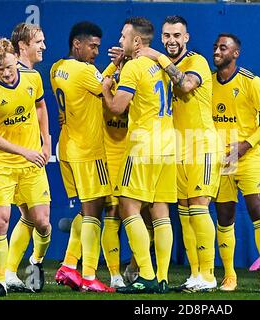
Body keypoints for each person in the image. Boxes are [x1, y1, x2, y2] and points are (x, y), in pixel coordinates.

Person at [136, 15, 222, 292]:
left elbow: (185, 85)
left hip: (202, 145)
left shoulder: (196, 61)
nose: (172, 41)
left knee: (198, 207)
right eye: (167, 36)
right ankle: (196, 274)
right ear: (162, 37)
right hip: (177, 147)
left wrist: (159, 58)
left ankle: (208, 275)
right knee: (184, 212)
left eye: (177, 36)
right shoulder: (160, 65)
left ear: (186, 38)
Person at [102, 16, 176, 294]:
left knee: (128, 207)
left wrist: (106, 91)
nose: (120, 41)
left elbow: (118, 108)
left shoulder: (134, 66)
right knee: (160, 212)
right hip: (168, 144)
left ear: (136, 41)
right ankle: (163, 277)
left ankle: (145, 274)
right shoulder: (161, 64)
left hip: (143, 144)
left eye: (123, 36)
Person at [0, 38, 52, 297]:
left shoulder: (32, 78)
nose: (6, 74)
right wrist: (25, 152)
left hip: (32, 164)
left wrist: (46, 141)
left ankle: (35, 263)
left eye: (9, 67)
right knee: (0, 219)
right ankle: (0, 282)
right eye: (0, 70)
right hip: (2, 165)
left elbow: (40, 106)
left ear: (15, 59)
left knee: (42, 223)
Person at [211, 33, 260, 292]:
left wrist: (246, 144)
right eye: (216, 46)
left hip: (248, 156)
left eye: (223, 47)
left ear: (235, 53)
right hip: (222, 159)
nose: (217, 51)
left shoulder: (251, 81)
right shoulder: (207, 81)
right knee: (224, 216)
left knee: (258, 210)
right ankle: (229, 276)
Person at [50, 21, 113, 293]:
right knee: (95, 213)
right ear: (77, 44)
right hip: (89, 151)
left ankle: (67, 265)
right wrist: (118, 66)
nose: (96, 52)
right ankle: (89, 275)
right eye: (93, 46)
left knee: (85, 212)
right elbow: (107, 88)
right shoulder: (85, 71)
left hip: (66, 147)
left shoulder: (56, 68)